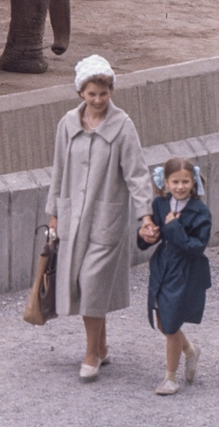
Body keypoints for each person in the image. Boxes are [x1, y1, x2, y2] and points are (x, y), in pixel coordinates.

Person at [46, 55, 152, 382]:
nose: (98, 100)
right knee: (82, 282)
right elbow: (58, 170)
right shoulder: (67, 123)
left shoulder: (123, 126)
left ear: (110, 92)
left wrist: (144, 215)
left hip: (107, 218)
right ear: (81, 92)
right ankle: (102, 345)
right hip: (72, 216)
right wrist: (53, 214)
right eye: (92, 94)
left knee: (91, 282)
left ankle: (91, 353)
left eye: (103, 94)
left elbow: (137, 174)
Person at [138, 158, 211, 395]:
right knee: (163, 321)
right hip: (162, 266)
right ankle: (190, 350)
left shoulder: (200, 211)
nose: (180, 186)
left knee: (170, 325)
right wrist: (147, 234)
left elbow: (196, 247)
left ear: (194, 182)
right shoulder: (160, 204)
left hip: (184, 270)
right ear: (166, 182)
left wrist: (174, 228)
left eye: (185, 182)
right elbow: (157, 234)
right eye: (175, 181)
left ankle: (170, 378)